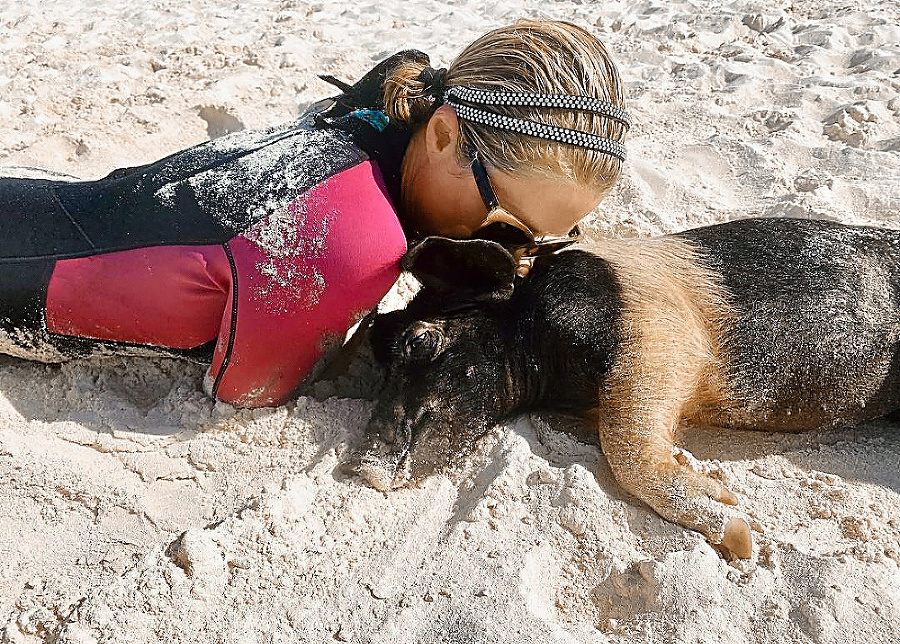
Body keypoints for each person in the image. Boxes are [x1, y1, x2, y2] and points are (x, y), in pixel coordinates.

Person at [0, 19, 629, 408]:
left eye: (553, 240)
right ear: (443, 136)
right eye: (510, 226)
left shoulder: (376, 117)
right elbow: (249, 389)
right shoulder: (353, 242)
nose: (516, 261)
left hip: (48, 199)